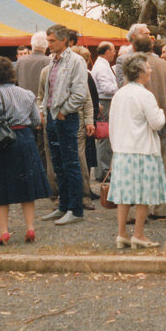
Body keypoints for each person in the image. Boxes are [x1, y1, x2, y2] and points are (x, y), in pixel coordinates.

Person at [0, 56, 50, 245]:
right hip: (25, 140)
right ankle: (30, 228)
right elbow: (36, 121)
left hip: (3, 142)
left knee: (0, 189)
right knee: (27, 186)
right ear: (13, 75)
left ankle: (4, 232)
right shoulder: (27, 94)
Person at [108, 53, 166, 249]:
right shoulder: (145, 95)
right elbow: (157, 123)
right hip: (143, 149)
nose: (151, 70)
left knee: (124, 195)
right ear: (140, 72)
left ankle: (121, 234)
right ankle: (139, 234)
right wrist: (161, 112)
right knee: (143, 194)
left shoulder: (120, 94)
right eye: (148, 67)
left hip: (122, 149)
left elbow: (113, 123)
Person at [124, 27, 166, 219]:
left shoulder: (133, 66)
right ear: (152, 45)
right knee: (162, 165)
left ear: (133, 46)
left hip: (141, 123)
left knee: (139, 168)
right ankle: (160, 208)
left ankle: (139, 212)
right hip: (165, 121)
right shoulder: (165, 65)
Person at [39, 24, 89, 225]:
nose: (48, 44)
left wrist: (63, 112)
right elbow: (46, 91)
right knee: (58, 164)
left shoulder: (76, 62)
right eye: (48, 40)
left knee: (70, 163)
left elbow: (79, 94)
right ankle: (63, 205)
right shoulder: (53, 62)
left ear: (63, 40)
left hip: (65, 118)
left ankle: (75, 209)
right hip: (52, 117)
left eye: (52, 41)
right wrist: (44, 112)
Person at [16, 30, 55, 191]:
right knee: (43, 148)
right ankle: (43, 181)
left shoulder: (20, 62)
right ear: (46, 46)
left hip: (22, 109)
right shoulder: (50, 62)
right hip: (42, 109)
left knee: (26, 146)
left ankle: (27, 179)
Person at [70, 45, 98, 210]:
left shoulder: (84, 76)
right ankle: (85, 192)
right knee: (83, 158)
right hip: (83, 121)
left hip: (83, 120)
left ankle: (84, 192)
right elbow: (92, 99)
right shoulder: (86, 76)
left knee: (82, 157)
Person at [92, 41, 117, 182]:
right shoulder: (102, 67)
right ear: (107, 51)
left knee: (105, 136)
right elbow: (106, 87)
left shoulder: (102, 65)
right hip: (105, 102)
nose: (114, 53)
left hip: (105, 101)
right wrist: (121, 86)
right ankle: (103, 170)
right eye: (113, 50)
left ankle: (103, 169)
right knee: (105, 136)